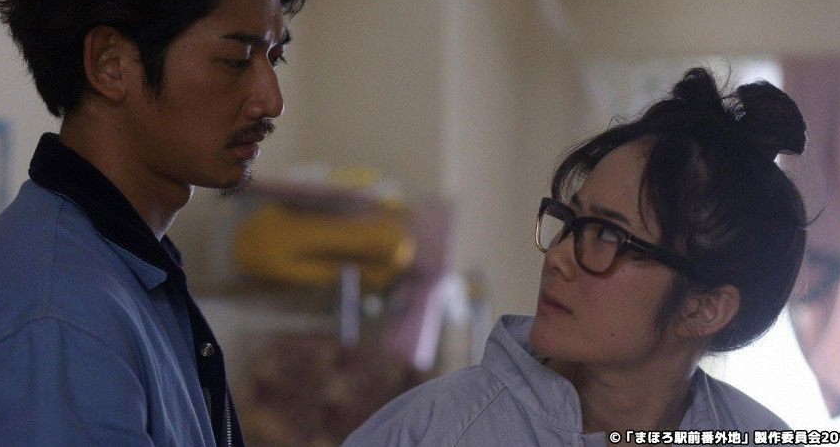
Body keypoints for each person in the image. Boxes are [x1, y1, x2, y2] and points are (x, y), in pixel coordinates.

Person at [0, 0, 324, 445]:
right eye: (236, 59)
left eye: (274, 58)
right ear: (110, 64)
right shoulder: (56, 315)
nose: (271, 100)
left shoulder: (119, 270)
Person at [343, 68, 809, 446]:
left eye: (608, 234)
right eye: (571, 221)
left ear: (703, 308)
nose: (559, 257)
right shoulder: (434, 431)